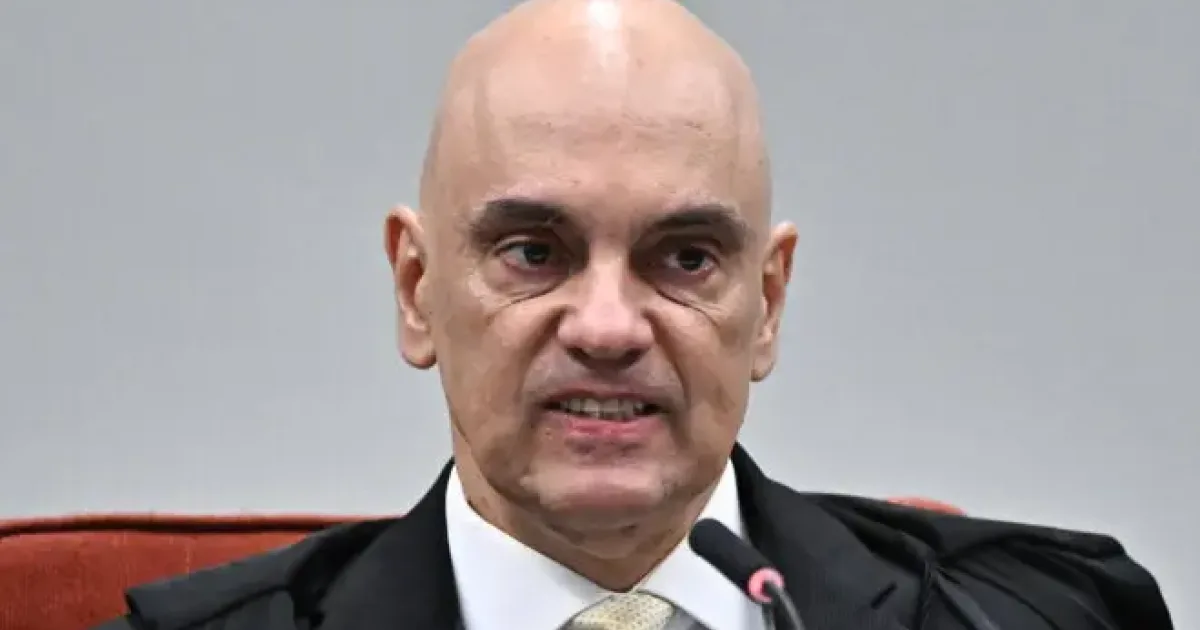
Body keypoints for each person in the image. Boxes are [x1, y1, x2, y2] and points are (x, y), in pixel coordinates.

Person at [92, 1, 1174, 629]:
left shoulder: (1043, 616)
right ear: (417, 290)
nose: (608, 327)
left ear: (767, 304)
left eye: (685, 257)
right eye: (534, 252)